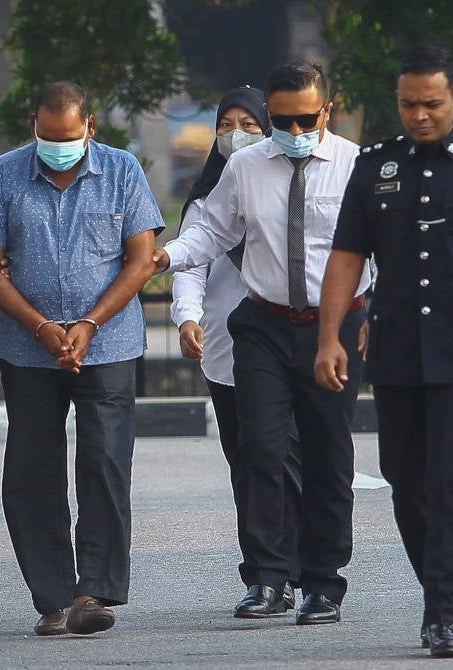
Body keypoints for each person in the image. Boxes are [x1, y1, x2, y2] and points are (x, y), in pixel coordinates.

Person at [314, 44, 453, 658]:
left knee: (451, 478)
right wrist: (330, 335)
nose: (419, 115)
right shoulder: (375, 165)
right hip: (394, 345)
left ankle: (443, 610)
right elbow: (346, 256)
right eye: (408, 104)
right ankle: (436, 587)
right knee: (404, 477)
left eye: (432, 104)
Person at [154, 61, 371, 625]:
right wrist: (165, 256)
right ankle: (268, 578)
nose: (294, 133)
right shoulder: (246, 166)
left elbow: (385, 247)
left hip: (335, 326)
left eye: (306, 120)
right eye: (282, 121)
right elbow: (211, 229)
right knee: (261, 450)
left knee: (327, 453)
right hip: (265, 324)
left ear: (326, 111)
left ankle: (322, 583)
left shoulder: (355, 166)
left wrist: (378, 316)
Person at [0, 81, 162, 637]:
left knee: (103, 463)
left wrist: (89, 322)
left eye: (69, 137)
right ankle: (52, 598)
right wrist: (42, 326)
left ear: (90, 128)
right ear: (34, 127)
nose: (58, 146)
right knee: (32, 470)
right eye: (48, 137)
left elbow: (141, 258)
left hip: (110, 343)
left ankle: (91, 593)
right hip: (29, 349)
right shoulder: (5, 174)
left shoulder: (122, 171)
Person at [170, 85, 301, 611]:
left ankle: (295, 566)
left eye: (250, 124)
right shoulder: (204, 200)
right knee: (248, 461)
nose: (237, 134)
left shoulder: (288, 187)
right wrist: (187, 317)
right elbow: (191, 263)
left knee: (288, 459)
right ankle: (263, 571)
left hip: (292, 343)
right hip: (226, 351)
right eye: (227, 124)